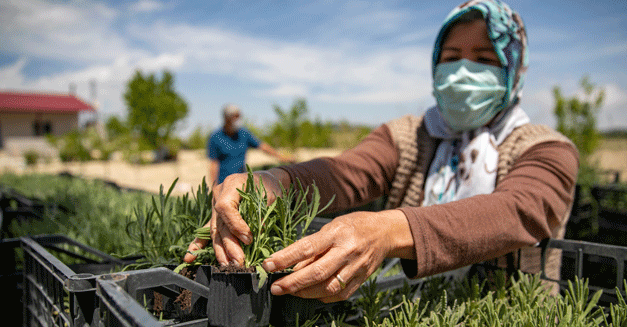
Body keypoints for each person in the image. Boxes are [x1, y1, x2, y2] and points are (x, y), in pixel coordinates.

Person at [186, 0, 578, 303]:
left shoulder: (547, 149)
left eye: (485, 60)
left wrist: (390, 230)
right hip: (411, 310)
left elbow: (516, 211)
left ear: (513, 70)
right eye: (451, 57)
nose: (463, 70)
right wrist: (273, 182)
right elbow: (348, 172)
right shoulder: (411, 135)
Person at [207, 104, 295, 186]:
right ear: (226, 118)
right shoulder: (216, 137)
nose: (237, 120)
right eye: (234, 117)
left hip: (242, 181)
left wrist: (282, 157)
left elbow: (262, 146)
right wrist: (214, 186)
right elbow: (214, 164)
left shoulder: (243, 133)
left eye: (238, 116)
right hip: (224, 183)